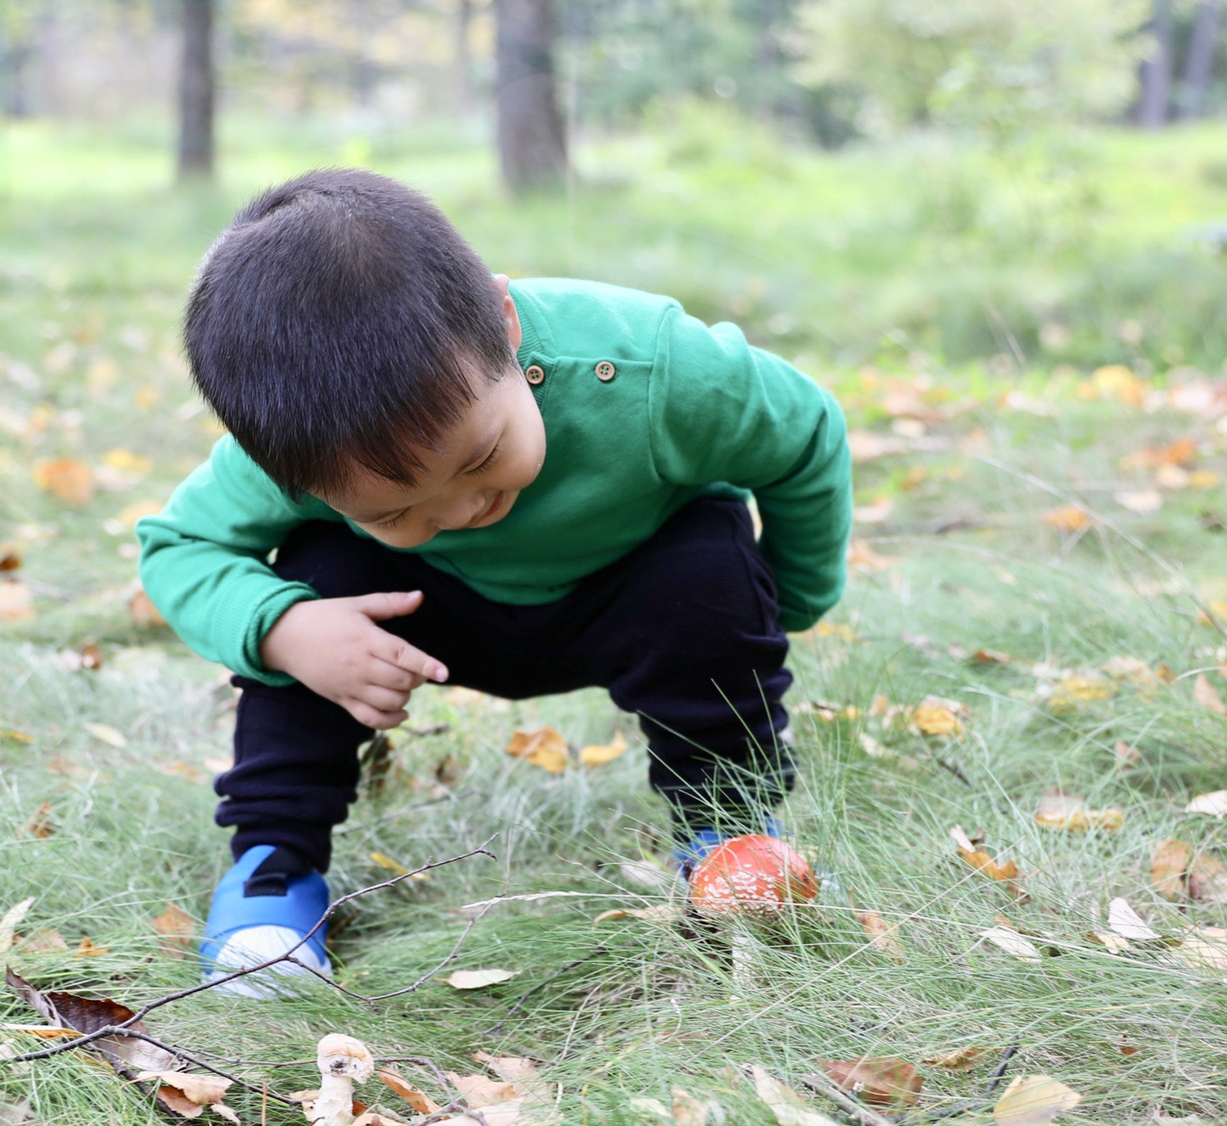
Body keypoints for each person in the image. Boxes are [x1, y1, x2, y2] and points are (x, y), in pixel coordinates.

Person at [136, 168, 852, 993]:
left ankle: (728, 831)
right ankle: (273, 871)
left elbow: (804, 435)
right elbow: (177, 545)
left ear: (505, 325)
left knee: (706, 560)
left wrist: (793, 596)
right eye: (396, 507)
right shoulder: (299, 450)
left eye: (480, 457)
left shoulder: (653, 369)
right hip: (427, 615)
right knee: (314, 581)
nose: (467, 507)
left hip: (632, 592)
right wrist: (284, 630)